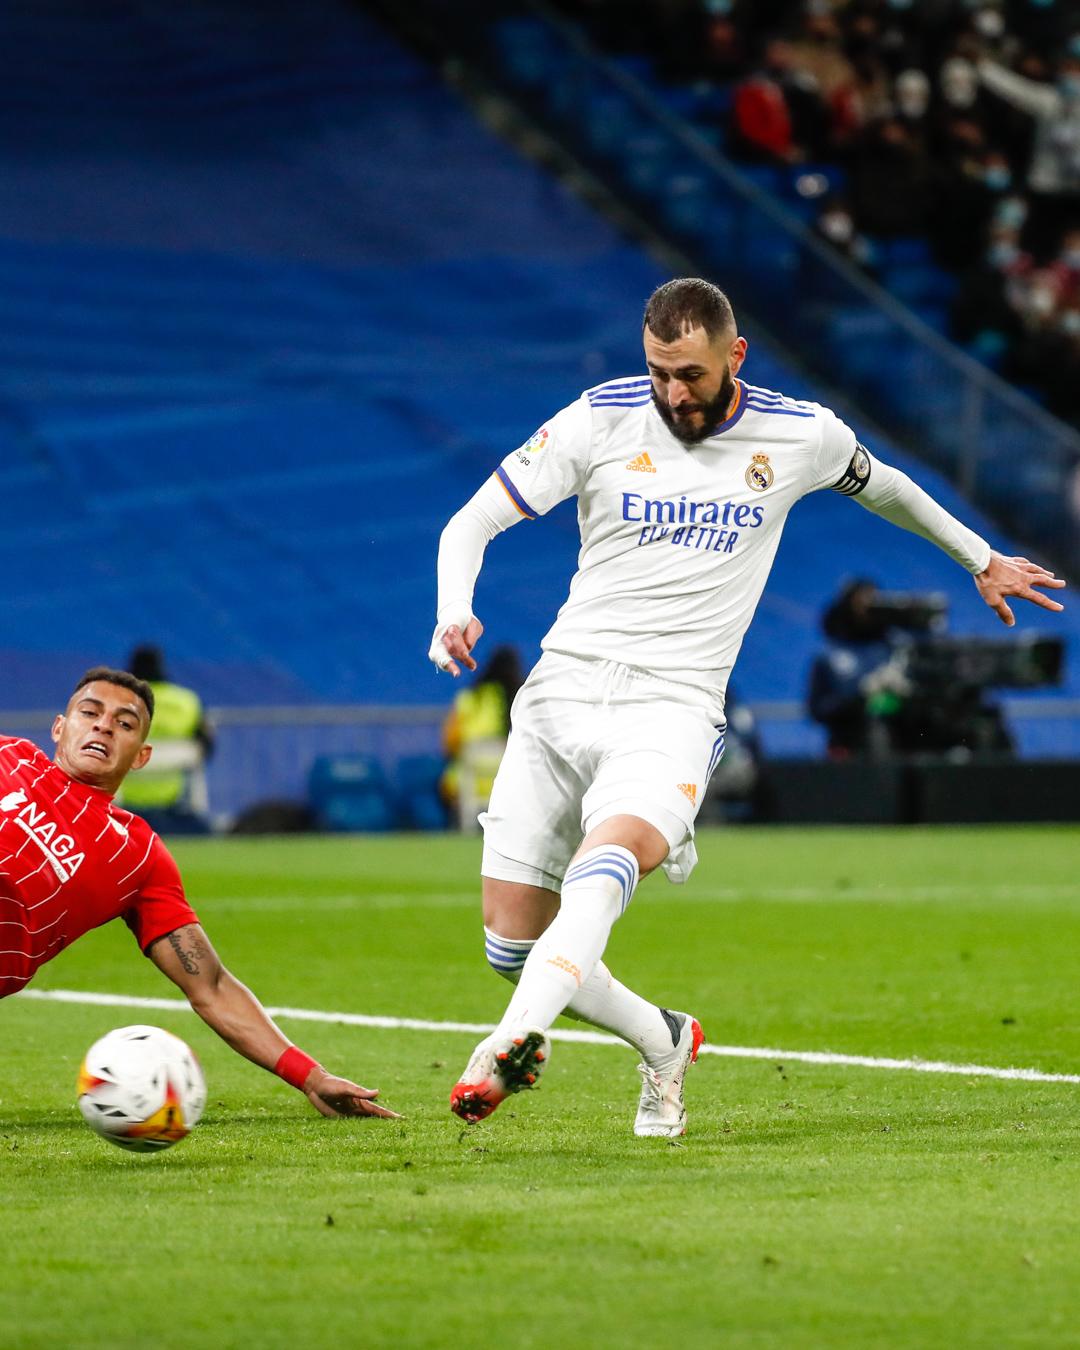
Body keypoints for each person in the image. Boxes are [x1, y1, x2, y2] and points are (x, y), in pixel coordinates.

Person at [428, 277, 1065, 1137]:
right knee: (511, 949)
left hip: (674, 704)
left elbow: (887, 487)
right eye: (657, 372)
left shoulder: (799, 434)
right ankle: (664, 1039)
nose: (672, 394)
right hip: (561, 693)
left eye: (688, 374)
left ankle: (513, 1041)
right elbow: (467, 525)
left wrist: (977, 556)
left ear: (735, 356)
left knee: (608, 862)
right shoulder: (600, 417)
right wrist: (453, 607)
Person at [1, 667, 397, 1121]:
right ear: (59, 727)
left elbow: (210, 985)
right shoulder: (9, 755)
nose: (103, 725)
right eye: (90, 713)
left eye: (124, 723)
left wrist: (310, 1075)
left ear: (141, 756)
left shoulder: (136, 856)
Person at [118, 644, 213, 831]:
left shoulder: (116, 701)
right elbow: (206, 747)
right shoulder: (187, 701)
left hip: (124, 810)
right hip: (173, 809)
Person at [440, 645, 524, 830]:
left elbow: (449, 743)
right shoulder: (523, 700)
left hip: (467, 783)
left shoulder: (470, 698)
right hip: (511, 784)